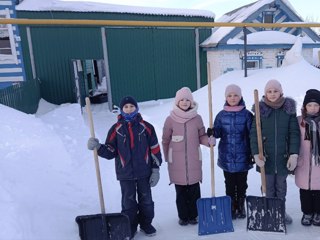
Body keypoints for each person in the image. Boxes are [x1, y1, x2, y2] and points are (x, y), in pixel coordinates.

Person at [87, 96, 162, 239]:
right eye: (126, 107)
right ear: (121, 110)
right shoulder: (116, 129)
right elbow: (111, 151)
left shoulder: (146, 127)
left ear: (137, 108)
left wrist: (156, 169)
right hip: (125, 173)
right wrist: (98, 147)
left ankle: (146, 223)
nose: (129, 109)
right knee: (128, 202)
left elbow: (155, 150)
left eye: (131, 106)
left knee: (146, 200)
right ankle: (130, 225)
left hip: (144, 172)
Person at [250, 79, 300, 224]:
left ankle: (280, 211)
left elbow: (294, 133)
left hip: (283, 157)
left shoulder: (288, 110)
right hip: (266, 158)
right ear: (265, 93)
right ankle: (269, 212)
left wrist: (293, 154)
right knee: (268, 187)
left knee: (281, 187)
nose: (272, 94)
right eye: (269, 91)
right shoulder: (260, 111)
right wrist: (255, 154)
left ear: (281, 92)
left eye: (275, 91)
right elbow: (254, 133)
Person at [162, 87, 213, 226]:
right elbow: (165, 140)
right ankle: (183, 216)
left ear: (191, 102)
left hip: (193, 160)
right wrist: (167, 157)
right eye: (182, 100)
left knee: (194, 191)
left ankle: (194, 215)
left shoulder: (197, 118)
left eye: (187, 100)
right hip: (176, 163)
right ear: (177, 102)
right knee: (181, 193)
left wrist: (209, 141)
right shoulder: (170, 119)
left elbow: (201, 136)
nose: (185, 102)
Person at [207, 84, 253, 219]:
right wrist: (213, 132)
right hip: (226, 155)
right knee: (229, 183)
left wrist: (253, 152)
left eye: (236, 95)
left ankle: (240, 204)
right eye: (230, 95)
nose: (233, 98)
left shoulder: (247, 115)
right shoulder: (221, 115)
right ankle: (232, 205)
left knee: (242, 183)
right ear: (226, 97)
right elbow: (218, 132)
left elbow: (252, 135)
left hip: (243, 155)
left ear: (241, 97)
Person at [294, 89, 320, 226]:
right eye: (310, 105)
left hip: (318, 163)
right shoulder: (299, 121)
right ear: (305, 106)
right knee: (305, 191)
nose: (313, 108)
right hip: (303, 162)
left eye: (316, 105)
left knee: (318, 190)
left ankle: (318, 213)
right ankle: (307, 212)